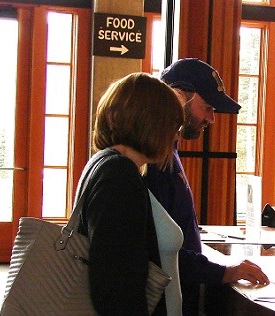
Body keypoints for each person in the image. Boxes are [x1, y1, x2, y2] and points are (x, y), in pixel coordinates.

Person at [144, 58, 269, 315]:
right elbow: (158, 249)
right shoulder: (153, 160)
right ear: (179, 97)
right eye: (208, 107)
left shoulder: (168, 150)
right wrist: (225, 272)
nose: (211, 119)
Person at [75, 72, 185, 315]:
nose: (176, 136)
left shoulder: (108, 164)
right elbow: (116, 285)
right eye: (173, 127)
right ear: (151, 123)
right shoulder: (118, 174)